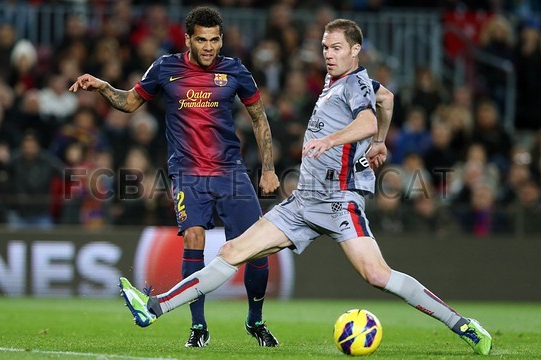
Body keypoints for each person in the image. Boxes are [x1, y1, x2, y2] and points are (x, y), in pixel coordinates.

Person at [117, 18, 494, 355]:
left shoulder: (354, 83)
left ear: (356, 51)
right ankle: (153, 310)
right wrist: (380, 141)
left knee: (378, 276)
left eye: (337, 48)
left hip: (336, 201)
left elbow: (364, 118)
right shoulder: (341, 81)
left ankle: (462, 325)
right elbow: (386, 98)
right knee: (232, 251)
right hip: (302, 203)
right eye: (325, 47)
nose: (328, 54)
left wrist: (340, 139)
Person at [69, 7, 281, 348]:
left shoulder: (235, 70)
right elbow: (129, 103)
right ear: (188, 39)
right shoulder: (165, 68)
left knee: (257, 250)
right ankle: (199, 327)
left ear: (221, 40)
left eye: (214, 40)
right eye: (202, 40)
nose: (209, 47)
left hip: (231, 173)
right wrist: (103, 86)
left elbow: (259, 118)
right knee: (194, 237)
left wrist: (269, 169)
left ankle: (255, 320)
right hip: (187, 173)